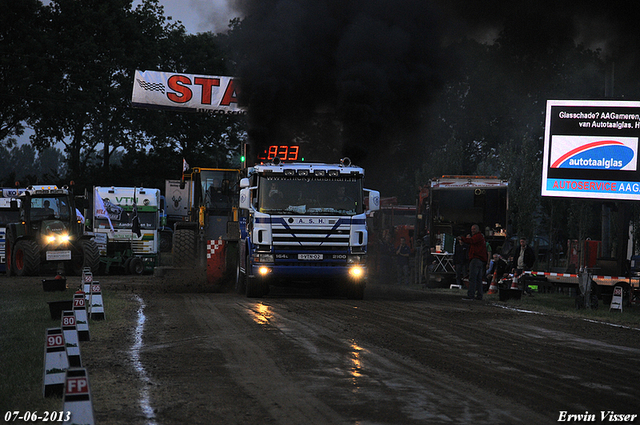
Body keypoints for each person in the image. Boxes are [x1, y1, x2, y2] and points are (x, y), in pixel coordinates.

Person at [460, 224, 488, 300]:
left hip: (475, 259)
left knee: (472, 278)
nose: (472, 230)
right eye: (472, 229)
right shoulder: (480, 237)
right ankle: (479, 295)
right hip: (479, 260)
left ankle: (471, 295)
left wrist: (463, 238)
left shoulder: (477, 237)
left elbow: (471, 241)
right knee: (478, 279)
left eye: (474, 229)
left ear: (477, 230)